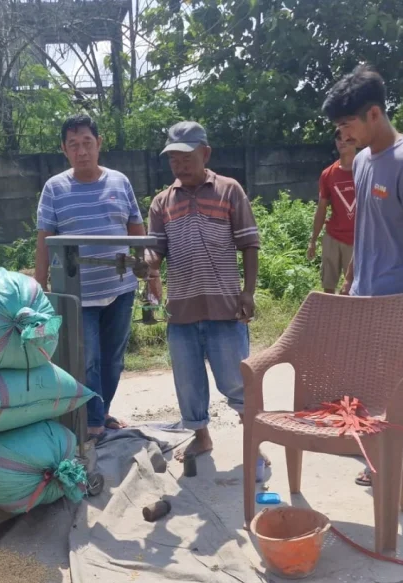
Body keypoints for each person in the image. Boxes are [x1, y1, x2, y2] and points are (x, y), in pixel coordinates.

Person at [323, 64, 403, 486]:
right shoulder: (361, 163)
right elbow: (364, 227)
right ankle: (380, 454)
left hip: (398, 299)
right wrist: (351, 276)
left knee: (398, 386)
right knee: (367, 384)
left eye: (347, 124)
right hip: (364, 294)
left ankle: (395, 464)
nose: (343, 134)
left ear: (374, 113)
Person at [147, 121, 267, 475]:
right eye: (173, 159)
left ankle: (256, 446)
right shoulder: (162, 202)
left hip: (225, 307)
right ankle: (201, 436)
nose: (179, 165)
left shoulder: (230, 191)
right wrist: (146, 264)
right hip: (181, 309)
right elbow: (156, 251)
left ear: (205, 154)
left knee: (237, 381)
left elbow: (249, 243)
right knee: (188, 382)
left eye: (186, 157)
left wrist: (248, 292)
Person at [34, 114, 149, 439]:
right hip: (76, 293)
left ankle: (102, 411)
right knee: (88, 361)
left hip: (120, 288)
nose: (82, 150)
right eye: (74, 145)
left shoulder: (119, 182)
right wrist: (40, 288)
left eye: (87, 142)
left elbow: (136, 228)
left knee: (113, 360)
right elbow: (44, 239)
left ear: (99, 144)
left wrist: (150, 272)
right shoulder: (54, 188)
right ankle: (94, 423)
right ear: (64, 150)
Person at [308, 129, 357, 293]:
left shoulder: (367, 169)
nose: (342, 141)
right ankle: (331, 317)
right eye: (339, 138)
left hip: (357, 239)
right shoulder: (328, 174)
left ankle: (353, 318)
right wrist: (313, 240)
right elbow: (321, 208)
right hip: (333, 237)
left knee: (355, 288)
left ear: (357, 141)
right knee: (328, 286)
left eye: (348, 138)